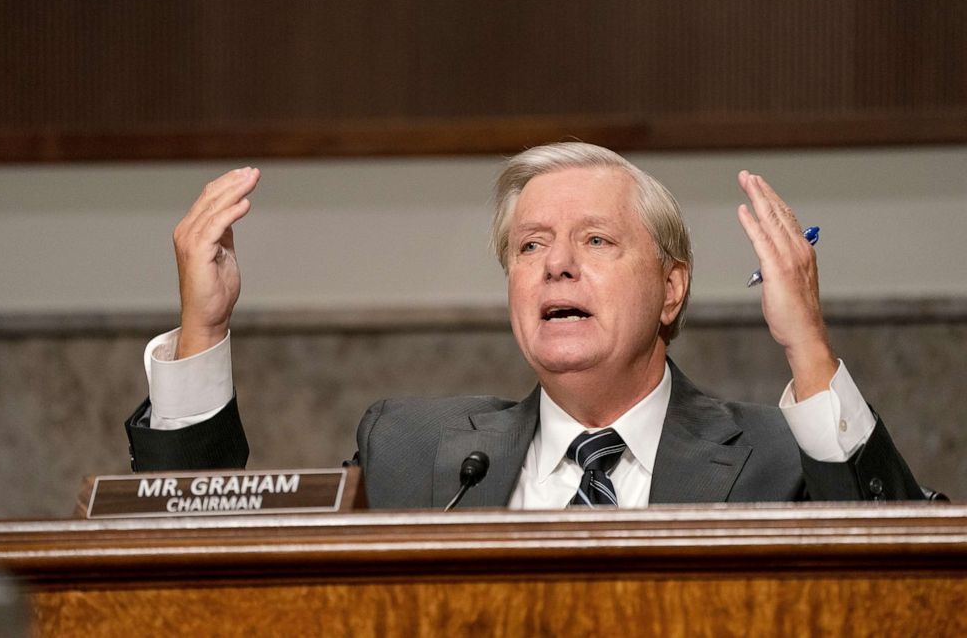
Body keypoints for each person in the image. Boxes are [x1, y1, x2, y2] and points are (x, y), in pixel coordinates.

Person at [125, 142, 925, 508]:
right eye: (531, 244)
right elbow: (200, 538)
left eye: (597, 241)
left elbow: (913, 585)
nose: (555, 264)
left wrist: (808, 348)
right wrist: (202, 328)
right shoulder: (412, 455)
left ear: (672, 287)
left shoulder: (785, 458)